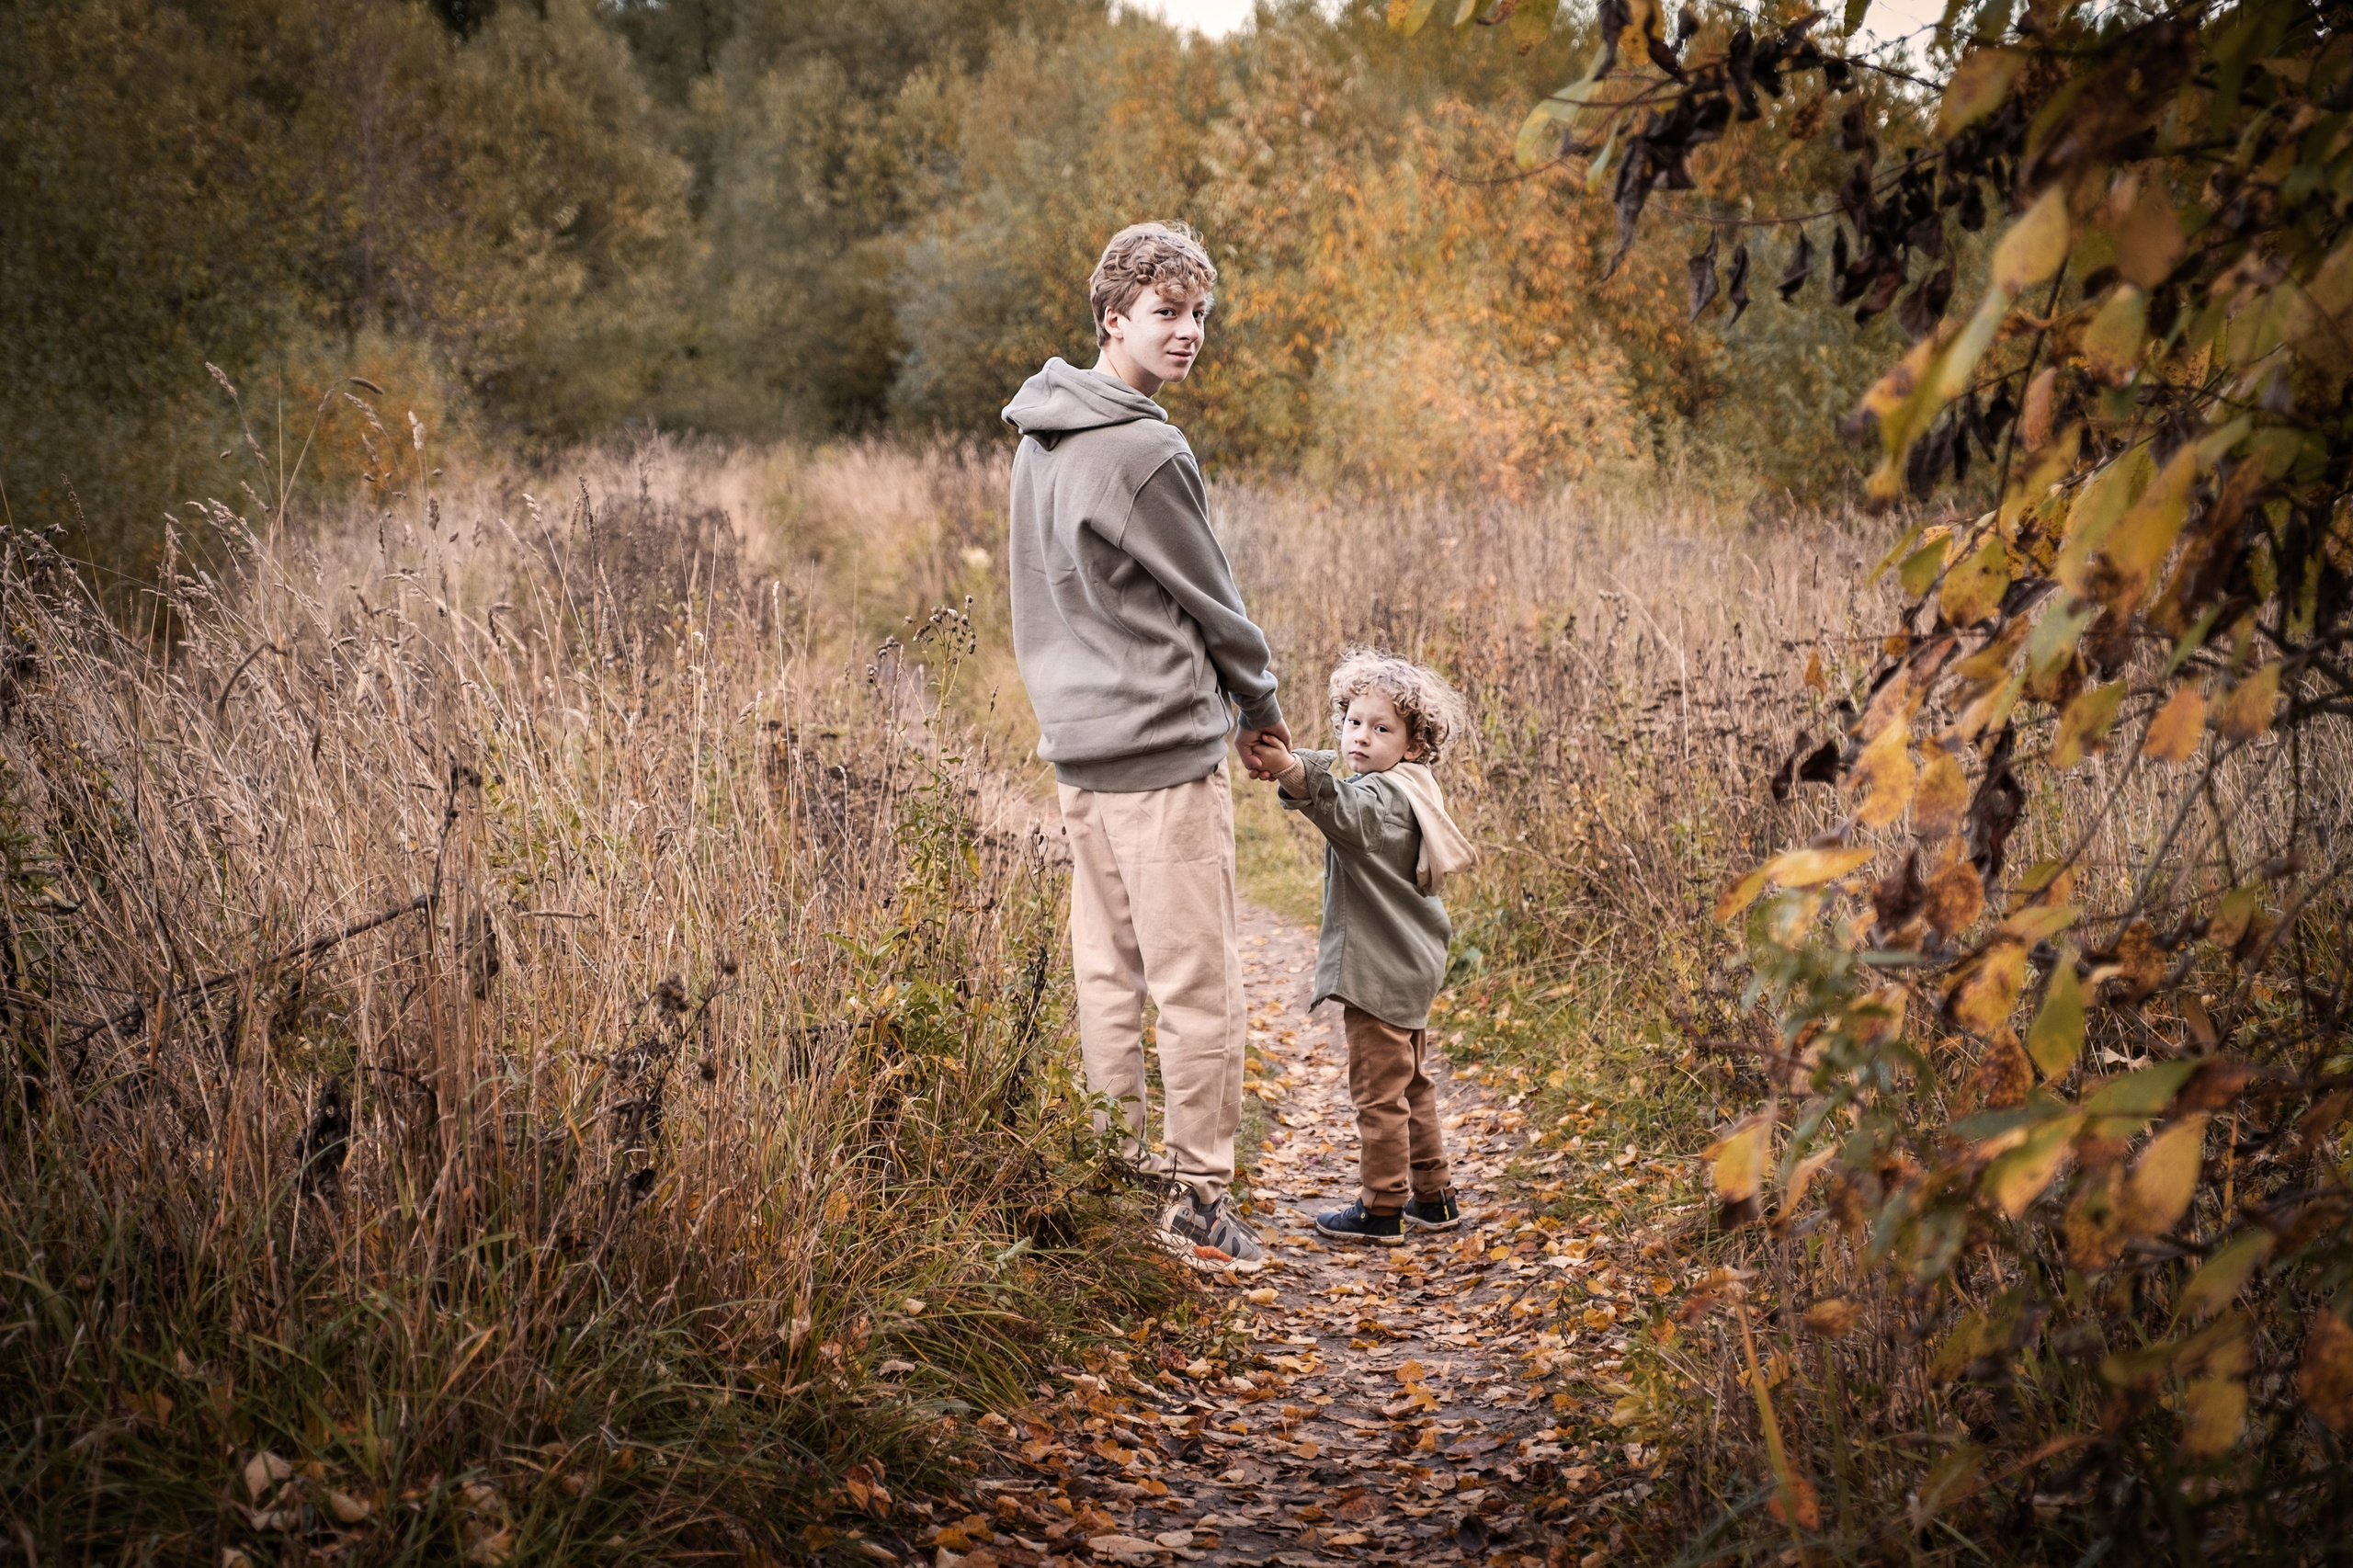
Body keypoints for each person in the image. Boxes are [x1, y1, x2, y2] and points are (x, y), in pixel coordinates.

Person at [1001, 222, 1288, 1264]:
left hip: (1077, 748)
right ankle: (1197, 1198)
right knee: (1195, 986)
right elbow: (1215, 603)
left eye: (1200, 314)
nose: (1189, 332)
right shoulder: (1144, 447)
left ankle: (1112, 1180)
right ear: (1112, 318)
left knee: (1108, 977)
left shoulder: (1040, 436)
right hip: (1162, 756)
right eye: (1167, 313)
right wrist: (1259, 706)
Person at [1249, 651, 1477, 1246]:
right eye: (1354, 722)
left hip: (1379, 971)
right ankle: (1435, 1196)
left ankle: (1381, 1208)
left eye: (1382, 729)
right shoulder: (1414, 788)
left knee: (1379, 1096)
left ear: (1415, 743)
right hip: (1411, 964)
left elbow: (1343, 812)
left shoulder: (1382, 798)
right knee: (1413, 1086)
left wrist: (1292, 769)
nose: (1361, 737)